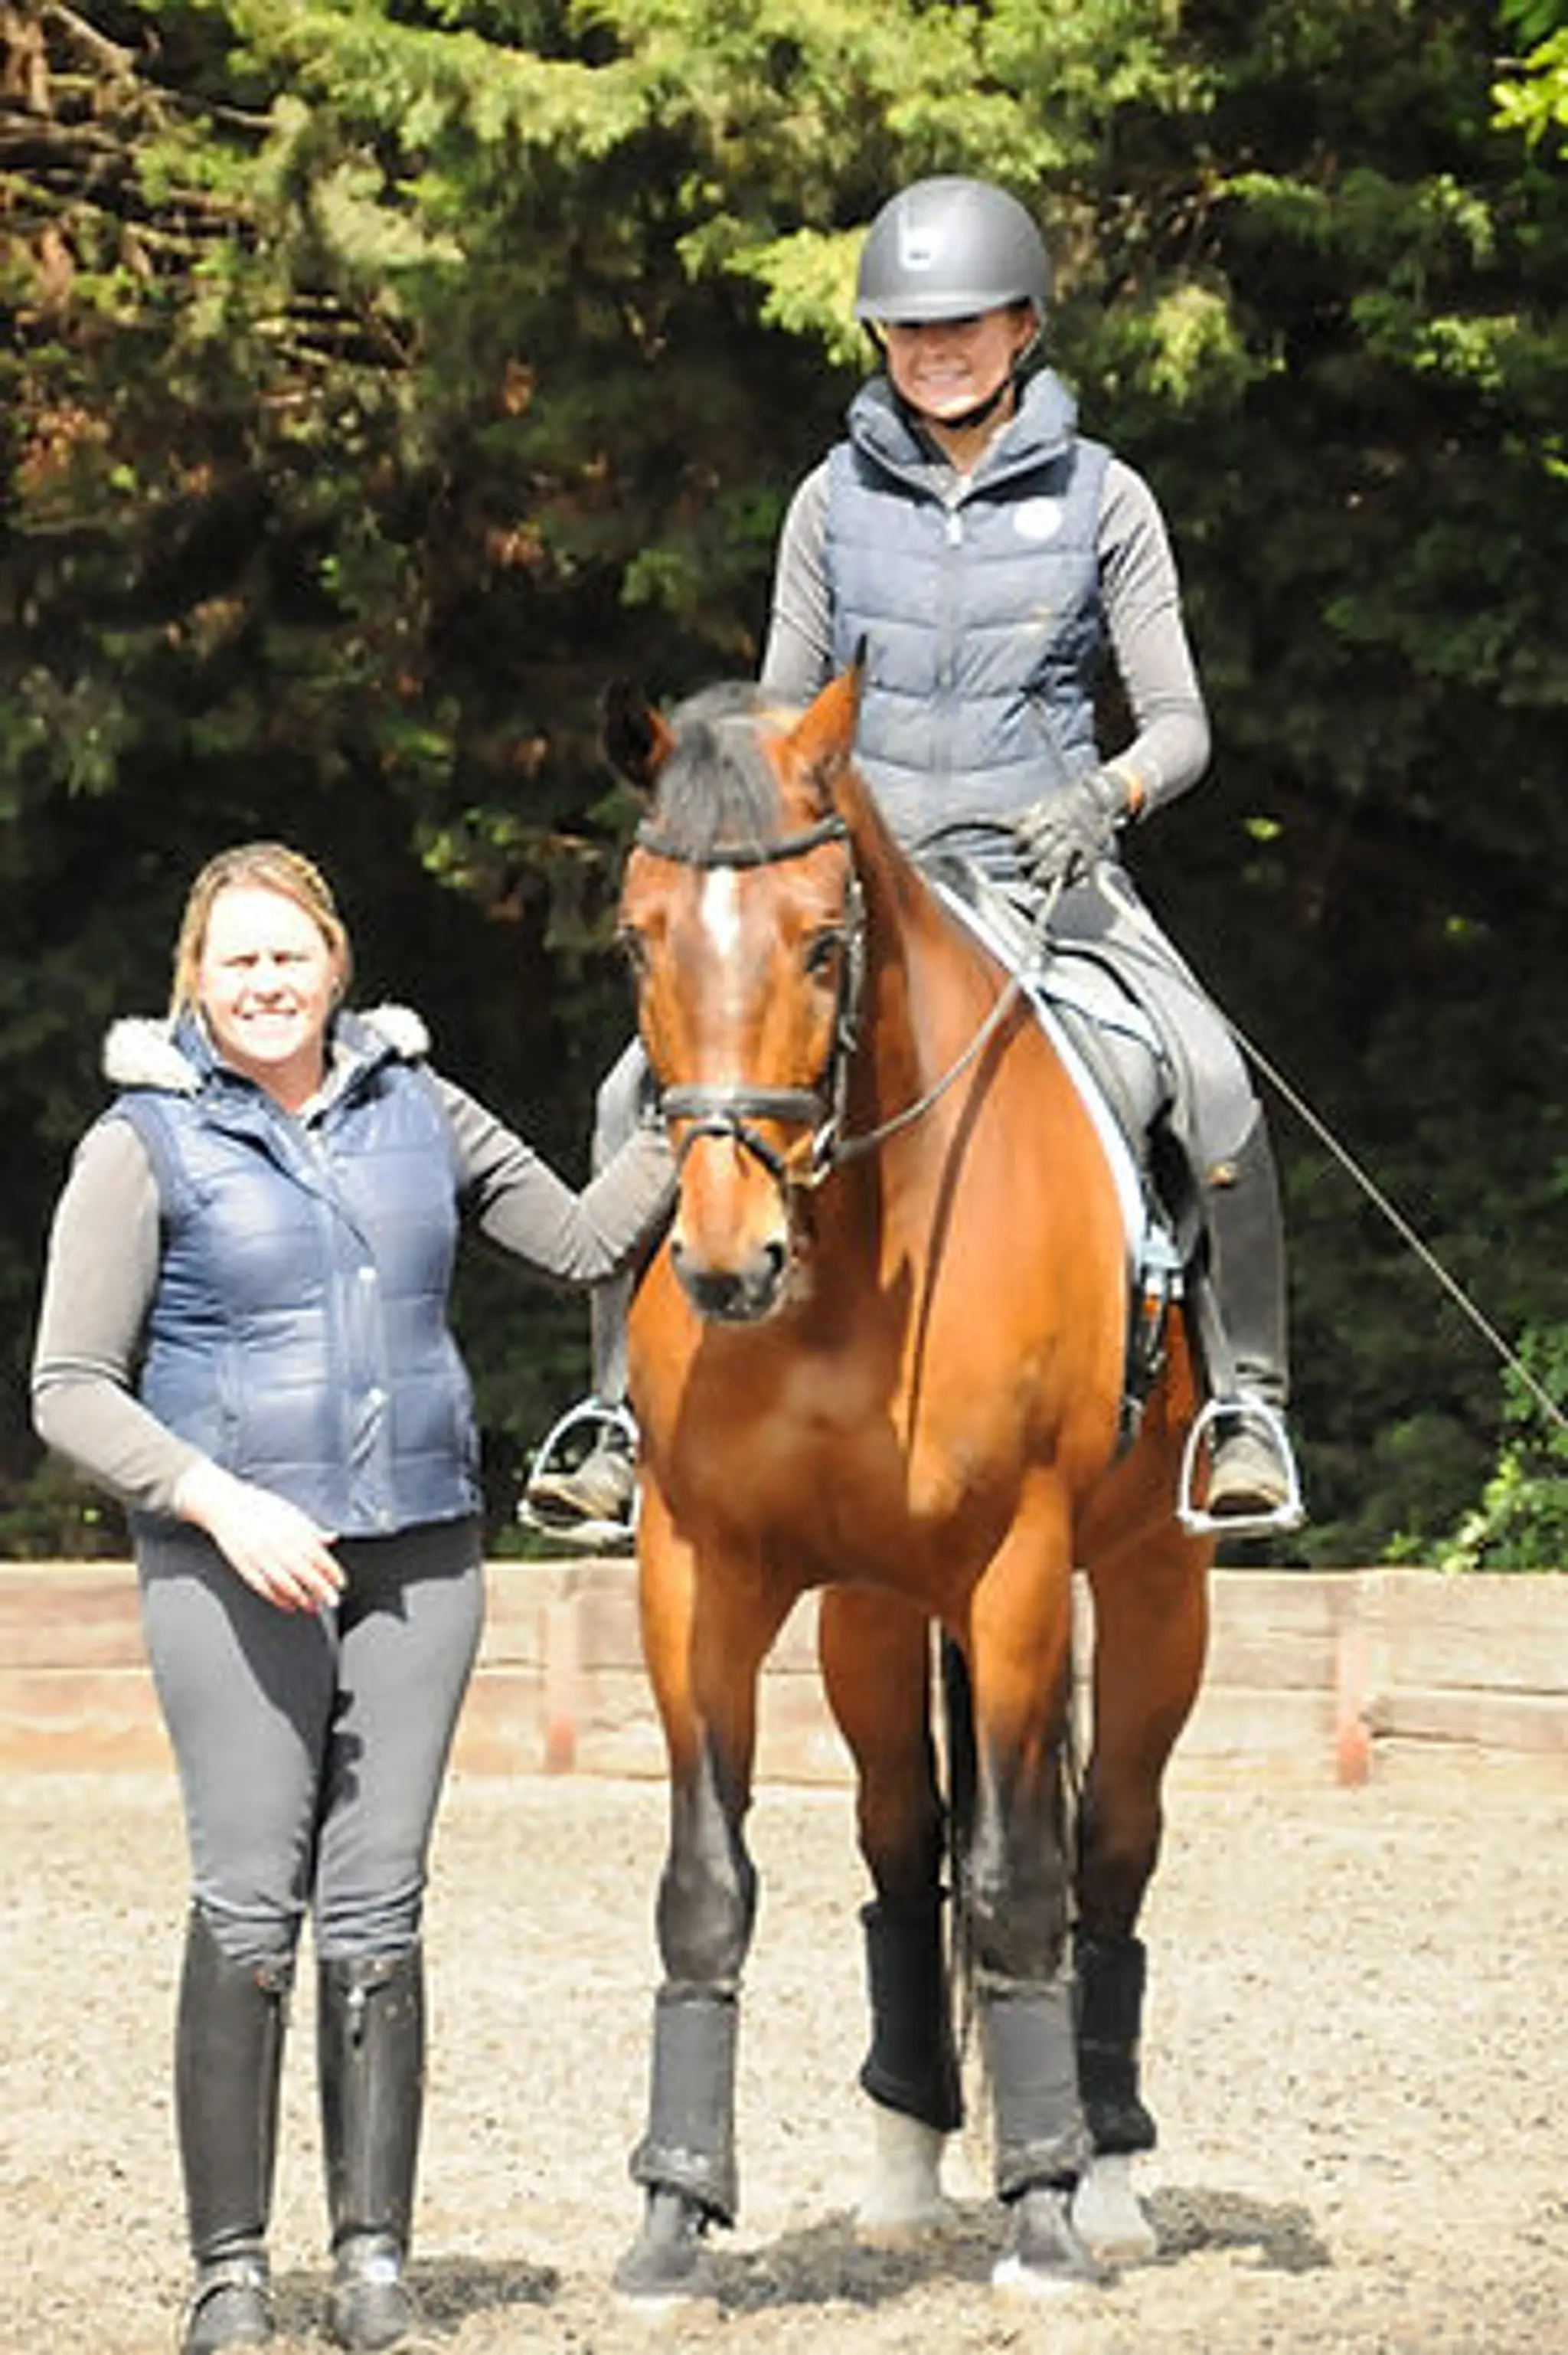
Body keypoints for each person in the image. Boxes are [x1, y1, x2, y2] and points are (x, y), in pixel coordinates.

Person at [525, 173, 1301, 1537]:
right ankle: (614, 1414)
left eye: (965, 325)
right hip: (858, 878)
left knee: (1211, 1078)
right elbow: (783, 712)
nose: (937, 351)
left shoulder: (1106, 498)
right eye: (911, 329)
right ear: (881, 340)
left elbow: (1180, 723)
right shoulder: (830, 500)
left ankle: (1245, 1407)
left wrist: (1105, 794)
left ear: (1023, 328)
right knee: (625, 1096)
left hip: (1046, 869)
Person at [31, 842, 675, 2355]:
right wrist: (219, 1499)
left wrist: (696, 1097)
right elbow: (67, 1384)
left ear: (336, 964)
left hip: (422, 1554)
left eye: (289, 955)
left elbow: (585, 1239)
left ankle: (374, 2260)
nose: (267, 983)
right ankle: (232, 2270)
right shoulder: (143, 1141)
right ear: (198, 980)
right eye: (237, 960)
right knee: (252, 1901)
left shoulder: (420, 1108)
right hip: (232, 1563)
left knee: (381, 1907)